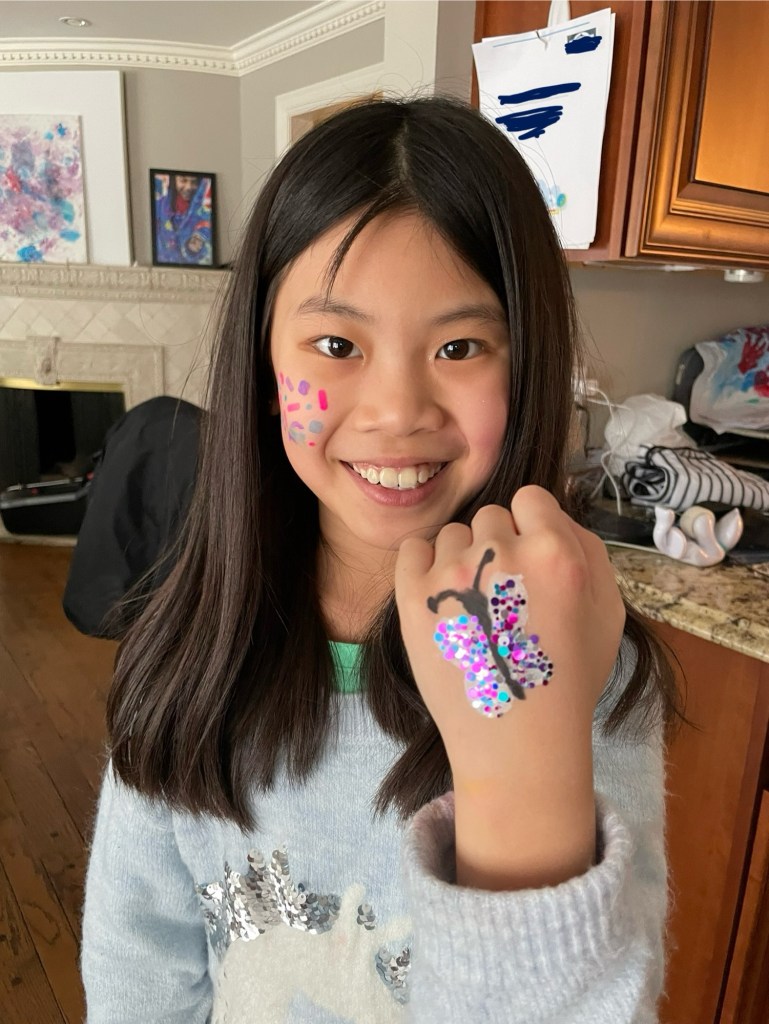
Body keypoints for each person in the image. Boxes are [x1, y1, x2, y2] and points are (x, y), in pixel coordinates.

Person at [82, 96, 682, 1023]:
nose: (398, 410)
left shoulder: (567, 661)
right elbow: (138, 974)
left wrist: (520, 745)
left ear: (527, 362)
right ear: (263, 363)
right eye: (335, 345)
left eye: (459, 346)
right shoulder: (191, 651)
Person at [154, 173, 213, 265]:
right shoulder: (158, 206)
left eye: (194, 182)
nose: (188, 187)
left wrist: (193, 249)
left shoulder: (205, 212)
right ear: (174, 181)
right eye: (183, 180)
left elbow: (206, 237)